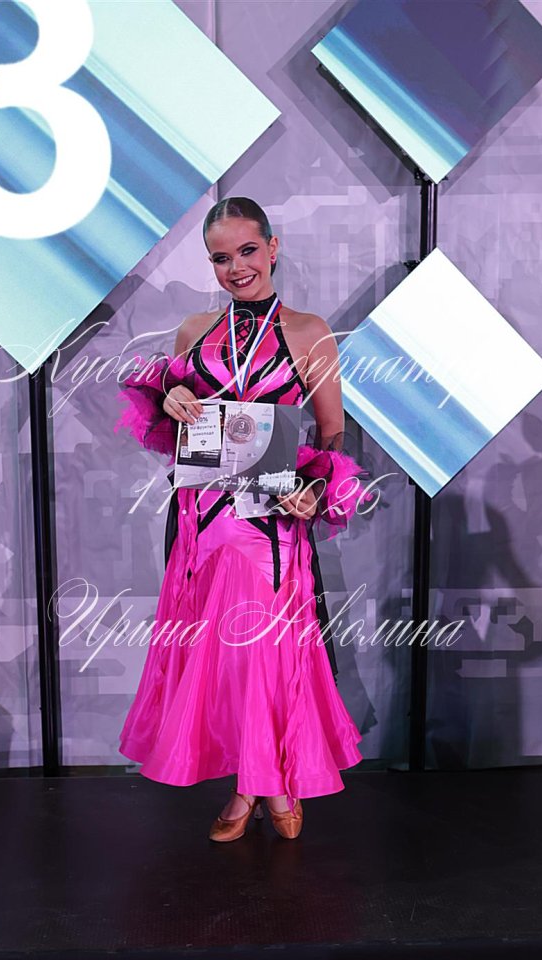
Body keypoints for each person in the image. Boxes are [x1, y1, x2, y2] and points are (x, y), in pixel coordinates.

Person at [114, 196, 371, 842]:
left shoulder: (310, 332)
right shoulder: (193, 332)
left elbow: (332, 431)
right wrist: (172, 397)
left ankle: (261, 782)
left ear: (273, 248)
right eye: (221, 258)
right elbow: (171, 422)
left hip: (271, 521)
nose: (237, 268)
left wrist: (314, 486)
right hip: (202, 519)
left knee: (265, 650)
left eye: (248, 251)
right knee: (223, 655)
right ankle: (256, 779)